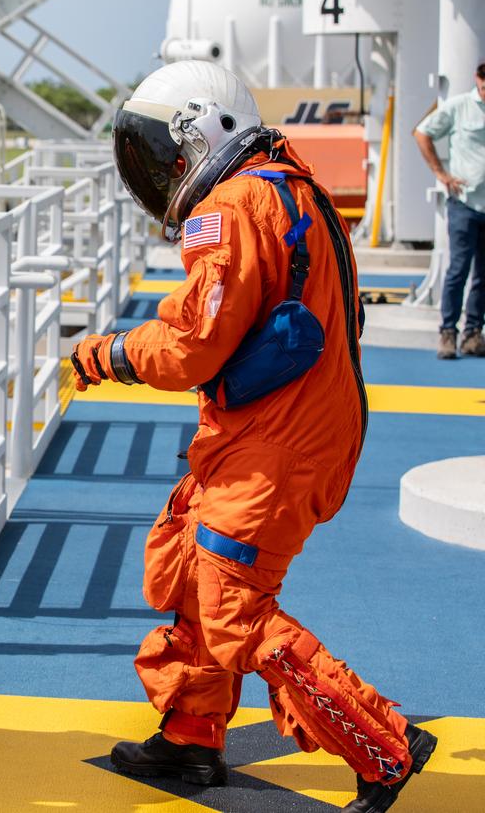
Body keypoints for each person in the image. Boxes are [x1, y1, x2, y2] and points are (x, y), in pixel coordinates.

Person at [75, 61, 436, 813]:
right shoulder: (289, 186)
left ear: (205, 132)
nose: (165, 177)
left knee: (233, 604)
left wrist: (110, 352)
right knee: (188, 562)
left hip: (276, 441)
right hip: (280, 427)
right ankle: (190, 734)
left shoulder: (232, 207)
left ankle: (384, 744)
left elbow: (192, 346)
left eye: (167, 158)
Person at [414, 62, 485, 359]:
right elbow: (421, 132)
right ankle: (448, 332)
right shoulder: (460, 107)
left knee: (483, 274)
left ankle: (473, 333)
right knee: (458, 269)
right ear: (477, 80)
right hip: (465, 202)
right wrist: (441, 173)